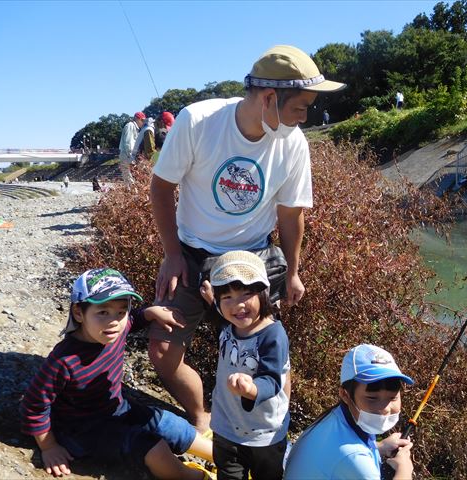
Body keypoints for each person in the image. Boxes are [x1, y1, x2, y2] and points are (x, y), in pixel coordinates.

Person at [148, 44, 345, 434]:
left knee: (265, 357)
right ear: (270, 98)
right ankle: (201, 415)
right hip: (190, 254)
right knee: (163, 351)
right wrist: (171, 255)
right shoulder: (199, 121)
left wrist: (292, 272)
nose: (304, 117)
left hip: (252, 260)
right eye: (300, 107)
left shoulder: (293, 143)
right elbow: (160, 187)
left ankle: (264, 431)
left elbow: (291, 216)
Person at [20, 267, 215, 480]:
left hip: (118, 409)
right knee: (154, 449)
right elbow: (34, 404)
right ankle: (196, 477)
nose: (114, 321)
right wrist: (48, 446)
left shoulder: (114, 330)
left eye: (121, 311)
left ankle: (229, 459)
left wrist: (150, 313)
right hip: (82, 430)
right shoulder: (63, 360)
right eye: (103, 312)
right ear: (78, 313)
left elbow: (132, 321)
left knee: (170, 423)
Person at [200, 251, 290, 480]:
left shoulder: (272, 335)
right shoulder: (228, 321)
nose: (237, 305)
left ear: (264, 293)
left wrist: (251, 389)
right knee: (228, 474)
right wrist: (213, 300)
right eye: (227, 297)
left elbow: (272, 379)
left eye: (247, 293)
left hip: (264, 432)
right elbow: (220, 317)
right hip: (226, 424)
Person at [283, 344, 414, 479]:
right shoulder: (355, 459)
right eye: (372, 398)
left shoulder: (336, 417)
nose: (386, 408)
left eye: (393, 398)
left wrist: (379, 447)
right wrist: (404, 468)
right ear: (345, 395)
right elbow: (350, 458)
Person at [118, 111, 146, 185]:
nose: (143, 122)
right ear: (137, 119)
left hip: (127, 155)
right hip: (127, 155)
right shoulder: (130, 125)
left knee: (130, 178)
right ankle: (131, 193)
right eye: (142, 120)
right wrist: (131, 157)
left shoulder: (134, 127)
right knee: (129, 179)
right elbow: (128, 142)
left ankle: (131, 192)